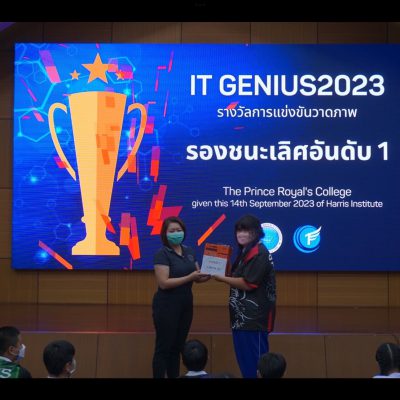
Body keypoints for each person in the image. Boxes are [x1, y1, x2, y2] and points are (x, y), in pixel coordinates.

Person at [213, 214, 276, 378]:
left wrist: (221, 278)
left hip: (254, 320)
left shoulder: (260, 253)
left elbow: (249, 283)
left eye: (246, 231)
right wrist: (218, 265)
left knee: (257, 366)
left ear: (256, 232)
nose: (241, 234)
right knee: (246, 365)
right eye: (239, 231)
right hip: (241, 319)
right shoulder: (246, 251)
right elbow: (236, 275)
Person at [152, 216, 211, 378]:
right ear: (165, 234)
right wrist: (190, 277)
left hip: (185, 304)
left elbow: (197, 277)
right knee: (163, 348)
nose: (176, 233)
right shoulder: (162, 254)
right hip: (166, 305)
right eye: (172, 231)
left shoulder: (189, 251)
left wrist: (212, 273)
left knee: (178, 348)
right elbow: (164, 283)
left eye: (179, 230)